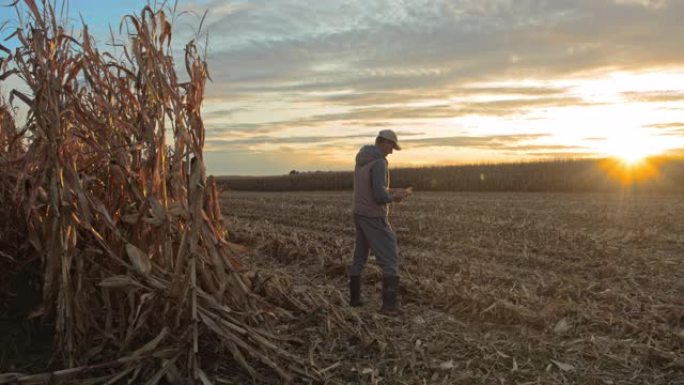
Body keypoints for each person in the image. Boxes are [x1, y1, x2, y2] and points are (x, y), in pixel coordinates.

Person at [350, 129, 411, 314]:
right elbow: (378, 195)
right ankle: (389, 305)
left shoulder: (362, 159)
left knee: (360, 255)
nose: (392, 151)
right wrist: (396, 197)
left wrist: (391, 190)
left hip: (359, 212)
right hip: (373, 215)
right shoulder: (379, 162)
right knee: (390, 255)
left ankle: (354, 299)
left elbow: (375, 187)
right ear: (383, 142)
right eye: (391, 146)